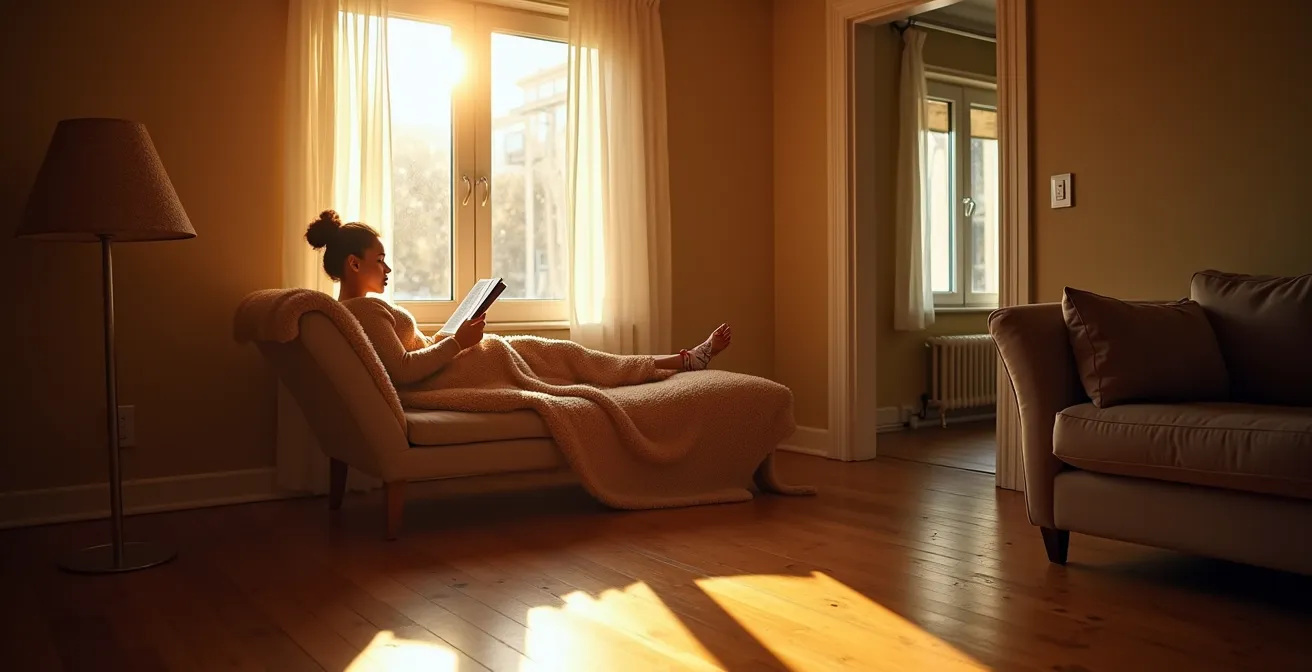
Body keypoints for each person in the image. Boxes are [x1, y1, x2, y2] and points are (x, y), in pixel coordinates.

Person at [304, 210, 731, 386]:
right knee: (575, 362)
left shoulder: (351, 314)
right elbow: (401, 370)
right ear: (354, 265)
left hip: (463, 360)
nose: (388, 269)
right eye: (380, 260)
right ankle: (683, 362)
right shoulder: (362, 311)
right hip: (466, 368)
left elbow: (406, 356)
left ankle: (680, 361)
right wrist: (459, 343)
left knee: (575, 360)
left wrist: (452, 336)